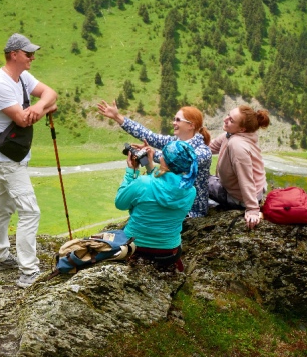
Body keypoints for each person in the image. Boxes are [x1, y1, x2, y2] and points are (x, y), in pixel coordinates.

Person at [0, 33, 58, 288]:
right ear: (14, 54)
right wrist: (43, 108)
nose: (32, 58)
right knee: (30, 211)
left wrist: (40, 106)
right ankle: (29, 272)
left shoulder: (22, 77)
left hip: (15, 155)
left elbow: (50, 92)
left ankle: (0, 257)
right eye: (28, 54)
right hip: (7, 159)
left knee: (3, 207)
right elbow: (22, 119)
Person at [97, 101, 212, 219]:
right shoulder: (176, 141)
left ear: (191, 125)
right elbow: (148, 135)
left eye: (178, 120)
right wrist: (118, 117)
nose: (173, 123)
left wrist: (151, 153)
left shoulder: (203, 152)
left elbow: (179, 160)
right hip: (170, 201)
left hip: (190, 211)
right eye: (174, 119)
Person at [114, 139, 198, 270]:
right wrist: (149, 164)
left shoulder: (143, 183)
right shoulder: (191, 191)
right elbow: (164, 185)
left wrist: (131, 172)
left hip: (136, 246)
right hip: (169, 250)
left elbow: (120, 203)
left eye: (163, 155)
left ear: (166, 161)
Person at [209, 104, 270, 230]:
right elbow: (209, 148)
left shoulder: (237, 146)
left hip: (238, 198)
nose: (225, 120)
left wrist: (252, 209)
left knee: (196, 178)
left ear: (242, 129)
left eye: (231, 120)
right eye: (228, 115)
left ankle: (199, 211)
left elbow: (245, 178)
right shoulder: (231, 134)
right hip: (248, 192)